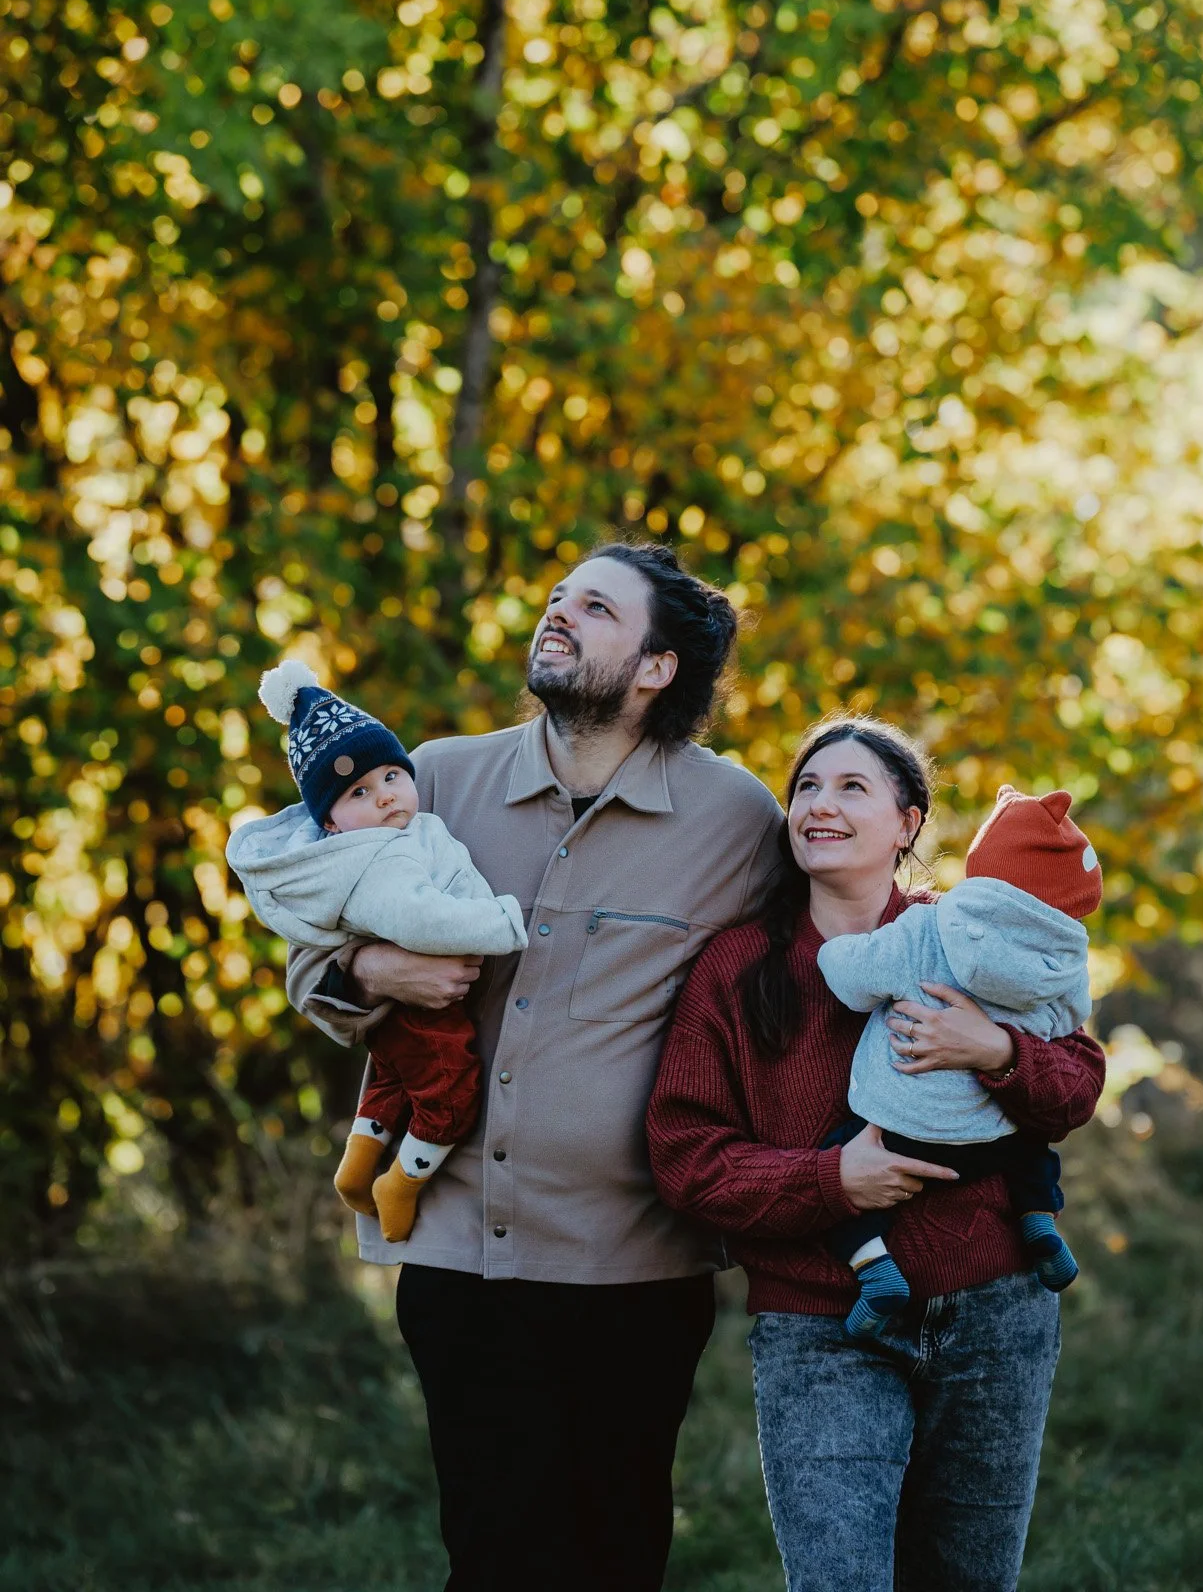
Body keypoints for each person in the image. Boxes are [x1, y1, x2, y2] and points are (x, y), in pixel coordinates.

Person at [284, 541, 784, 1592]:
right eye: (557, 596)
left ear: (656, 667)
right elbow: (308, 945)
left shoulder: (738, 819)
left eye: (595, 607)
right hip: (462, 1256)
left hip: (638, 1267)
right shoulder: (435, 778)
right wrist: (377, 963)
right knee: (497, 1549)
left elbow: (828, 947)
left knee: (615, 1551)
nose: (557, 613)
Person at [646, 716, 1106, 1592]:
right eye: (806, 788)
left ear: (907, 822)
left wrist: (997, 1054)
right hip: (821, 1327)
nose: (819, 804)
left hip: (992, 1314)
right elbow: (685, 1155)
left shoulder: (971, 937)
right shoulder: (737, 968)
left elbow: (1076, 1085)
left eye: (850, 787)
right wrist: (832, 1178)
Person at [227, 660, 527, 1243]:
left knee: (390, 1087)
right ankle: (400, 1183)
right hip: (419, 1012)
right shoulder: (373, 858)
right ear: (332, 823)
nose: (386, 798)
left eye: (392, 776)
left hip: (395, 1023)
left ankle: (357, 1166)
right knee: (450, 1093)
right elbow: (422, 919)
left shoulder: (407, 830)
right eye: (359, 793)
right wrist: (501, 925)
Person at [817, 780, 1100, 1337]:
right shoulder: (1065, 963)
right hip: (991, 1141)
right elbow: (1070, 1028)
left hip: (900, 1130)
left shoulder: (928, 928)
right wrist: (1008, 1041)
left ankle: (875, 1269)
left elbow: (855, 981)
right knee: (1031, 1144)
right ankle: (1038, 1216)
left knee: (836, 1161)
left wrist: (831, 952)